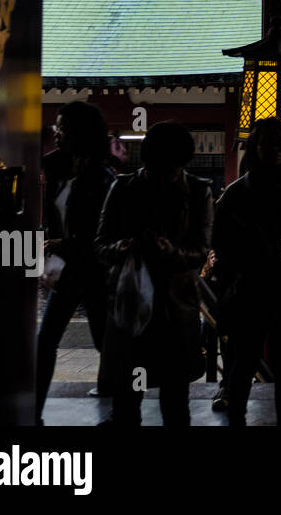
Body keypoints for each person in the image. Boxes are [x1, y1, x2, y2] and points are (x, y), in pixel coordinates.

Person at [95, 122, 213, 425]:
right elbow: (101, 244)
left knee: (175, 401)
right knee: (126, 400)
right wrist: (124, 247)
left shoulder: (198, 192)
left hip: (176, 304)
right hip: (131, 304)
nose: (168, 176)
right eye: (161, 168)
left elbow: (201, 249)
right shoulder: (123, 188)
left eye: (175, 169)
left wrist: (170, 252)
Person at [213, 118, 281, 426]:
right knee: (243, 363)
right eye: (267, 145)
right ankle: (237, 418)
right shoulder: (234, 195)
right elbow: (221, 245)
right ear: (254, 149)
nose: (274, 151)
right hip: (248, 289)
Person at [37, 102, 115, 424]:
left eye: (63, 128)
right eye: (57, 127)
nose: (57, 134)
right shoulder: (54, 168)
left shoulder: (103, 177)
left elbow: (98, 234)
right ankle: (35, 411)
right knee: (46, 341)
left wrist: (59, 245)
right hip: (69, 272)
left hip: (95, 272)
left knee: (105, 344)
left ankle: (124, 409)